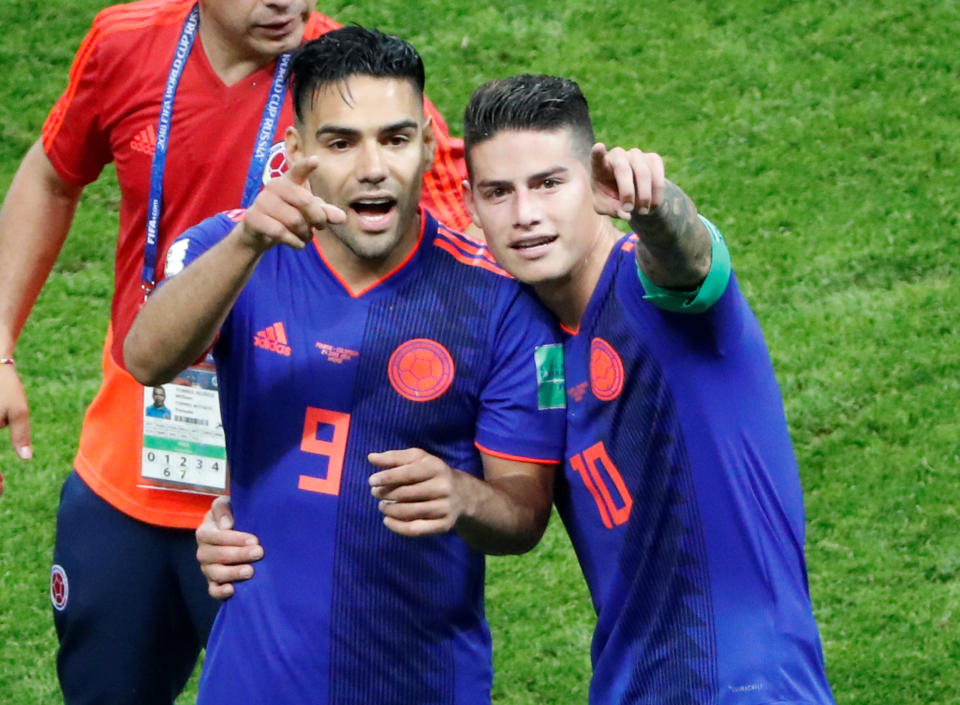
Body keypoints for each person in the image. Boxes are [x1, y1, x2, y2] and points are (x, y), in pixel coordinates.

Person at [199, 74, 837, 704]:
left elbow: (687, 257)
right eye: (498, 192)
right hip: (627, 686)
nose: (525, 214)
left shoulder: (656, 297)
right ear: (470, 205)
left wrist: (657, 209)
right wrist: (241, 520)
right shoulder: (535, 346)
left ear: (595, 183)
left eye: (550, 184)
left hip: (748, 687)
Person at [0, 1, 470, 703]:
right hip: (128, 467)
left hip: (285, 492)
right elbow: (52, 171)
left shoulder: (357, 84)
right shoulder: (125, 44)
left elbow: (459, 244)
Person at [124, 28, 564, 705]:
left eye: (393, 138)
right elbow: (147, 358)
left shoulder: (498, 300)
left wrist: (463, 495)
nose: (372, 167)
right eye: (340, 142)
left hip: (420, 684)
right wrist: (247, 242)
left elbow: (524, 513)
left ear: (425, 143)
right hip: (254, 681)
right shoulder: (232, 251)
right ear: (296, 153)